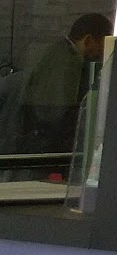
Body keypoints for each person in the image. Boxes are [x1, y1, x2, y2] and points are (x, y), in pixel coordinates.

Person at [12, 12, 110, 158]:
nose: (101, 54)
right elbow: (58, 114)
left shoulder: (56, 53)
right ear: (88, 40)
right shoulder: (68, 65)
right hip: (49, 149)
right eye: (101, 47)